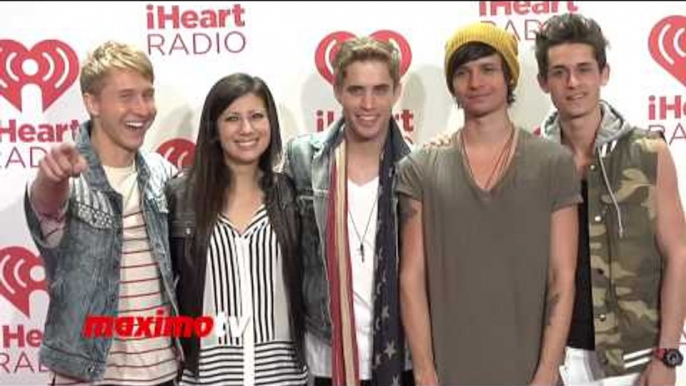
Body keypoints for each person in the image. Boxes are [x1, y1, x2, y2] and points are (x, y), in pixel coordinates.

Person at [397, 22, 581, 385]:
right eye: (463, 72)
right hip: (449, 374)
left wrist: (546, 371)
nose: (476, 82)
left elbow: (563, 275)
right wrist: (424, 371)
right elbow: (411, 277)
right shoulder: (420, 168)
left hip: (531, 374)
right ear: (452, 84)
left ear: (509, 77)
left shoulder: (553, 162)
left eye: (488, 69)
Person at [535, 13, 686, 386]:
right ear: (543, 82)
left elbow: (678, 253)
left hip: (635, 362)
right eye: (559, 72)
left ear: (604, 74)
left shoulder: (649, 152)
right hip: (556, 361)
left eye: (584, 69)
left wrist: (667, 354)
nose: (573, 83)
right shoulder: (529, 160)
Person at [24, 41, 179, 385]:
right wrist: (51, 179)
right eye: (126, 96)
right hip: (88, 377)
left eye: (147, 94)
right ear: (92, 102)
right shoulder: (66, 176)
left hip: (164, 374)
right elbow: (46, 205)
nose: (142, 108)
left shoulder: (162, 172)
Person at [284, 36, 413, 386]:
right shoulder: (301, 159)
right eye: (356, 90)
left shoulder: (418, 167)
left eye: (380, 90)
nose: (368, 104)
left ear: (396, 92)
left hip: (398, 357)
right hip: (326, 355)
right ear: (338, 90)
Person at [167, 73, 307, 385]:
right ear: (214, 129)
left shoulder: (292, 193)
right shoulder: (180, 196)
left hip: (282, 376)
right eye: (232, 118)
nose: (246, 129)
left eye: (257, 116)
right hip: (206, 377)